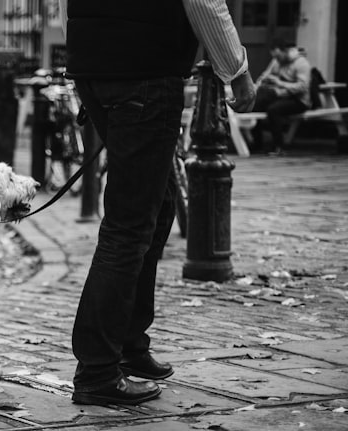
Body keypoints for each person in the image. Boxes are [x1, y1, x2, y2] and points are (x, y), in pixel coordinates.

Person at [60, 0, 256, 406]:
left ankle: (129, 342)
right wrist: (236, 70)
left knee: (161, 202)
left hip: (96, 67)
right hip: (144, 74)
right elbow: (203, 1)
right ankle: (97, 369)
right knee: (129, 224)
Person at [250, 40, 312, 154]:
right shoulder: (276, 61)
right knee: (255, 105)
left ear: (286, 51)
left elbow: (303, 87)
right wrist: (259, 84)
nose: (277, 60)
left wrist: (279, 83)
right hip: (280, 95)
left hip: (298, 100)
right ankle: (257, 143)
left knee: (273, 110)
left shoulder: (301, 63)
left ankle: (279, 146)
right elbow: (265, 74)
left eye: (278, 56)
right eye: (274, 57)